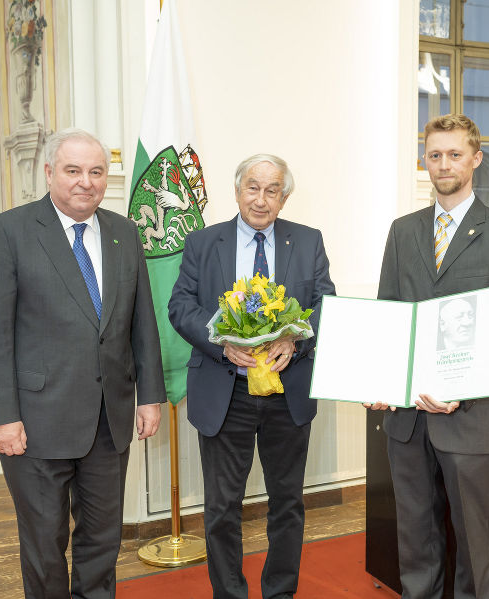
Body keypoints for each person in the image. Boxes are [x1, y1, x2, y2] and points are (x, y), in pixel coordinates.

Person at [0, 128, 166, 599]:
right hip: (36, 424)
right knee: (44, 542)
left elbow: (142, 322)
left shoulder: (124, 232)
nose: (85, 182)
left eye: (96, 171)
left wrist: (150, 396)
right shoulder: (9, 231)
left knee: (102, 539)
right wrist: (1, 416)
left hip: (108, 420)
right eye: (73, 170)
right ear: (49, 172)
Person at [369, 114, 489, 599]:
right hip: (406, 418)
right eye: (435, 155)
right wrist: (378, 378)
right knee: (415, 537)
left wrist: (456, 389)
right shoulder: (403, 231)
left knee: (474, 540)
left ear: (476, 159)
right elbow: (388, 317)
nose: (444, 164)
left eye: (455, 154)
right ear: (425, 160)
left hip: (470, 416)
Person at [168, 154, 335, 599]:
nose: (261, 199)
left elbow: (326, 306)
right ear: (238, 190)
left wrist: (294, 342)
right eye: (253, 187)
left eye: (272, 190)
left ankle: (280, 592)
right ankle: (230, 593)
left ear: (284, 196)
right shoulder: (204, 243)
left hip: (287, 390)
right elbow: (180, 306)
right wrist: (221, 342)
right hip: (226, 392)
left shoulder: (307, 241)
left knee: (288, 504)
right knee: (222, 508)